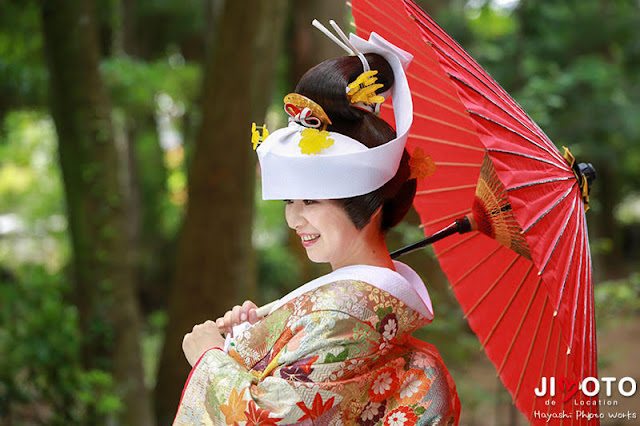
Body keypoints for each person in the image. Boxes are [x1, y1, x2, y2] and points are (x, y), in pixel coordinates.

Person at [175, 26, 460, 425]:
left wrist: (209, 356)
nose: (294, 218)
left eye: (311, 200)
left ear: (370, 202)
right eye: (291, 201)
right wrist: (258, 340)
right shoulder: (356, 306)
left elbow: (269, 416)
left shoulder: (345, 309)